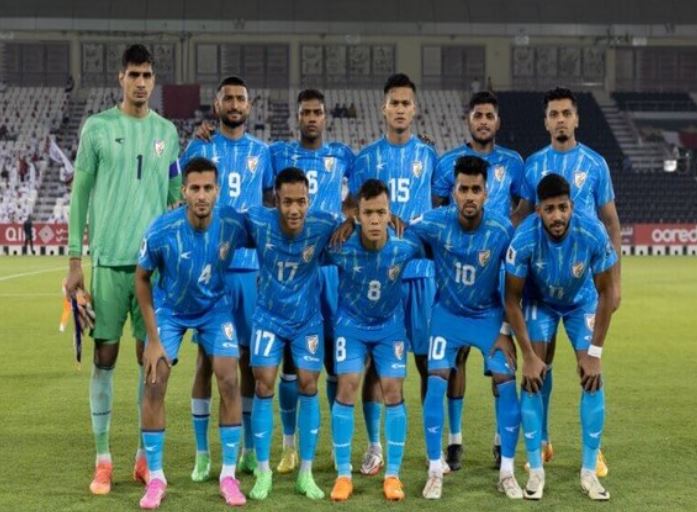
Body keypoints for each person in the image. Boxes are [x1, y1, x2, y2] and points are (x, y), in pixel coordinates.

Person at [65, 44, 181, 495]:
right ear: (121, 77)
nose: (141, 82)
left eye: (147, 75)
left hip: (151, 270)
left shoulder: (167, 132)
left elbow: (174, 197)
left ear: (154, 79)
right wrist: (75, 260)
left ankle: (142, 458)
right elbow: (79, 194)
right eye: (134, 74)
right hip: (109, 263)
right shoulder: (97, 128)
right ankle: (103, 459)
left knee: (149, 363)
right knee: (104, 358)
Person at [511, 87, 620, 476]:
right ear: (546, 122)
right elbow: (522, 217)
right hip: (540, 286)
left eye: (566, 113)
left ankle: (595, 449)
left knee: (590, 364)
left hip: (583, 285)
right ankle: (542, 441)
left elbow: (610, 222)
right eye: (553, 114)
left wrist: (616, 280)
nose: (560, 119)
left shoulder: (596, 164)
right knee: (541, 362)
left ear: (576, 118)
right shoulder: (533, 165)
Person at [135, 157, 248, 509]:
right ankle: (156, 477)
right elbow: (141, 278)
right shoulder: (162, 229)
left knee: (229, 378)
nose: (201, 195)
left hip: (215, 309)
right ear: (183, 191)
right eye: (195, 188)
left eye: (208, 188)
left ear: (218, 191)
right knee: (154, 380)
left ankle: (228, 475)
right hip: (170, 310)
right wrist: (153, 339)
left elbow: (269, 232)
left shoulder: (232, 223)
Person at [412, 156, 522, 500]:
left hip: (488, 318)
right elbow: (400, 230)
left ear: (486, 192)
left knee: (506, 383)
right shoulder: (434, 222)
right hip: (447, 316)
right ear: (453, 192)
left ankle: (507, 472)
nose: (470, 196)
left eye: (476, 189)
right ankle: (435, 469)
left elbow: (515, 283)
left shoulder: (502, 230)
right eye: (464, 189)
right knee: (435, 383)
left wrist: (506, 330)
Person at [181, 75, 273, 481]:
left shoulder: (262, 152)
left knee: (249, 361)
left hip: (250, 270)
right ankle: (203, 454)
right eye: (228, 98)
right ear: (216, 105)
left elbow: (269, 202)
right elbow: (178, 188)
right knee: (206, 361)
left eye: (241, 98)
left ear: (249, 106)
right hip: (211, 272)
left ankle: (249, 450)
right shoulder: (200, 147)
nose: (235, 104)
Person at [505, 173, 617, 501]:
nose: (557, 216)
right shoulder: (524, 238)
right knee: (533, 377)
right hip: (540, 302)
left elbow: (606, 292)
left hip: (581, 302)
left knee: (592, 378)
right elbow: (511, 298)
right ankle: (536, 470)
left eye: (563, 208)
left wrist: (594, 353)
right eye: (550, 209)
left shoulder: (592, 232)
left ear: (572, 206)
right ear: (538, 210)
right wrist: (528, 355)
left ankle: (588, 471)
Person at [348, 72, 439, 475]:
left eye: (406, 103)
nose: (400, 109)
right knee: (373, 362)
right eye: (394, 103)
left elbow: (439, 207)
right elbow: (351, 206)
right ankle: (374, 446)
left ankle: (434, 449)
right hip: (379, 276)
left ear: (414, 109)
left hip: (420, 274)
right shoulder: (366, 157)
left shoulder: (430, 156)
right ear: (383, 108)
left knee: (427, 363)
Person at [432, 90, 524, 470]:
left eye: (489, 115)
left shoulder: (513, 162)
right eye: (477, 115)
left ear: (497, 121)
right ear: (468, 120)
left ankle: (501, 441)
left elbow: (525, 204)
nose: (483, 121)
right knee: (456, 358)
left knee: (500, 356)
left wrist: (503, 231)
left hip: (497, 271)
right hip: (457, 272)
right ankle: (454, 441)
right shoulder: (447, 163)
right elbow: (438, 209)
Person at [269, 88, 355, 473]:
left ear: (325, 117)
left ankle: (337, 446)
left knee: (335, 360)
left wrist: (351, 218)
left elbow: (363, 197)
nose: (311, 118)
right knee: (290, 364)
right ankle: (289, 445)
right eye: (305, 112)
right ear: (297, 117)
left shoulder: (343, 155)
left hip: (331, 271)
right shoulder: (278, 155)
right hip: (294, 272)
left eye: (317, 112)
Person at [246, 167, 340, 501]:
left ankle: (306, 473)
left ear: (309, 200)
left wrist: (352, 222)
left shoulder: (324, 224)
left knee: (309, 385)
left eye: (301, 201)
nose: (295, 209)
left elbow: (352, 225)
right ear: (276, 200)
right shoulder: (258, 220)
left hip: (306, 320)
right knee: (263, 385)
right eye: (288, 202)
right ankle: (263, 471)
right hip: (268, 318)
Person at [326, 179, 422, 502]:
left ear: (390, 213)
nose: (376, 219)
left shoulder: (405, 245)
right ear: (358, 214)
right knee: (347, 385)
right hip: (351, 326)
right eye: (368, 213)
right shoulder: (340, 245)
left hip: (389, 328)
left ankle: (392, 475)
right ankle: (343, 475)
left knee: (393, 389)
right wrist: (343, 224)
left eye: (382, 212)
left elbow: (436, 246)